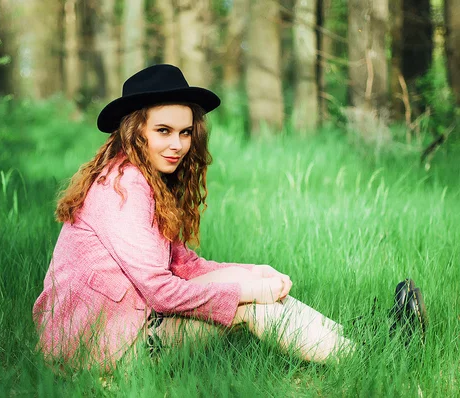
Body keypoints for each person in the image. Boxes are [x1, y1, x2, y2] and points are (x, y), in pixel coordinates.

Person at [32, 64, 426, 371]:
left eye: (185, 133)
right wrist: (248, 292)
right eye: (164, 131)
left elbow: (183, 265)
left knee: (255, 286)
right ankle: (367, 358)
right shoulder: (124, 187)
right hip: (96, 346)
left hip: (121, 324)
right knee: (252, 307)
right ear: (136, 131)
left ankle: (359, 338)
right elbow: (161, 291)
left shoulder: (144, 178)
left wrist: (255, 272)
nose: (177, 145)